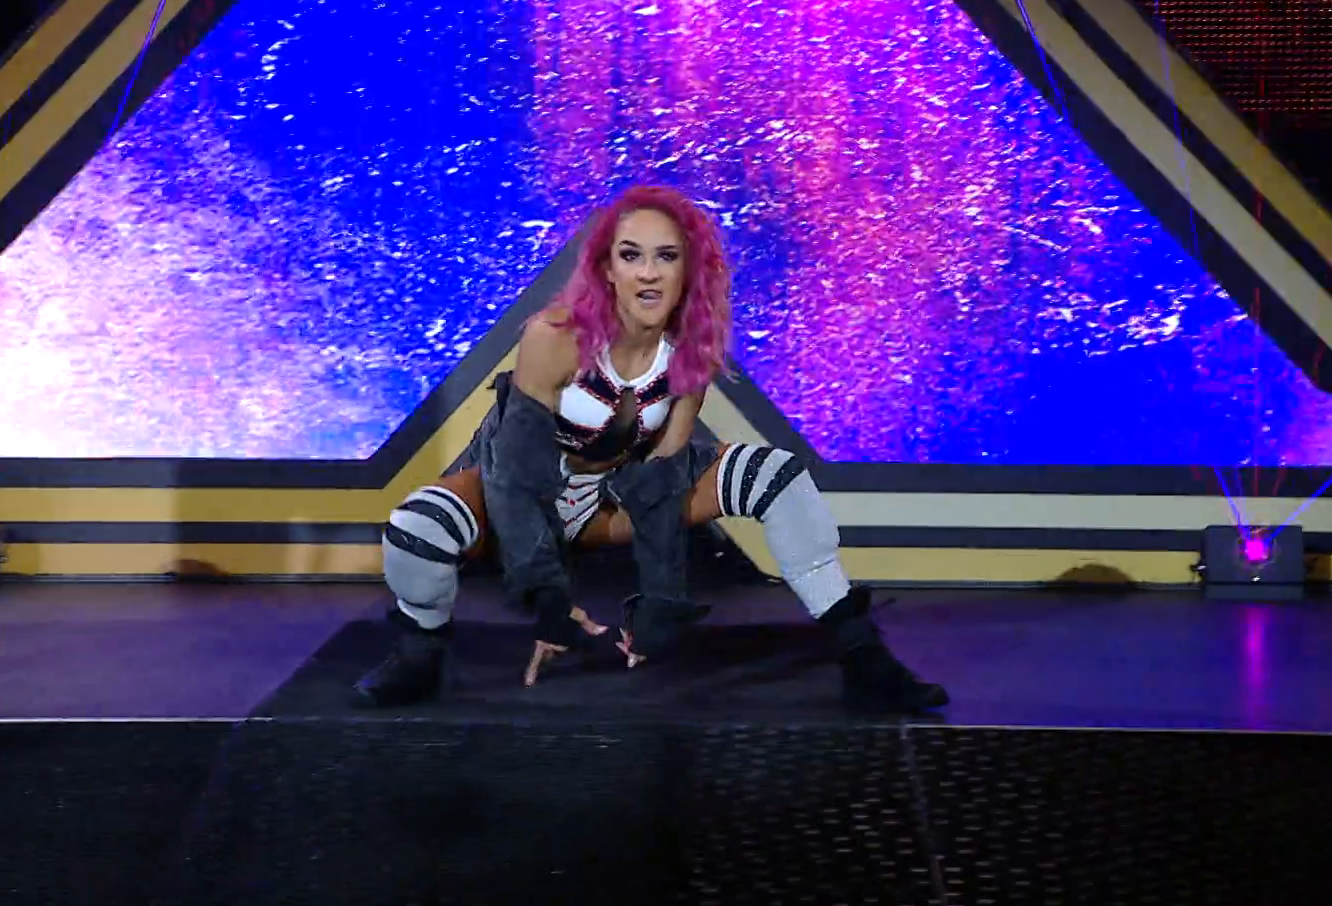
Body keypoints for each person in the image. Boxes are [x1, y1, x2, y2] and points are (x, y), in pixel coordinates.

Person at [355, 184, 948, 713]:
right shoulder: (555, 337)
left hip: (613, 503)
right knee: (417, 528)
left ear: (689, 268)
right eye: (630, 255)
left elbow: (664, 472)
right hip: (523, 495)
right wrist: (548, 601)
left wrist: (661, 602)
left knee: (779, 478)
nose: (648, 274)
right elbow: (512, 477)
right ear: (607, 269)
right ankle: (418, 654)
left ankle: (863, 657)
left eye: (666, 256)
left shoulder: (693, 346)